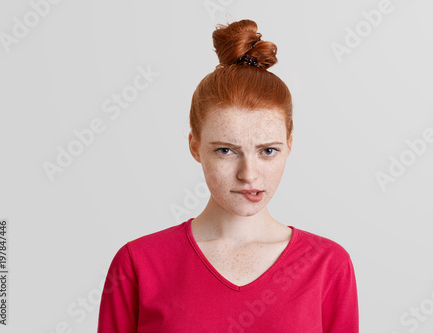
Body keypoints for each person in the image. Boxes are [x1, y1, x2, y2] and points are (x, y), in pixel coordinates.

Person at [97, 19, 359, 333]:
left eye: (268, 151)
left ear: (289, 145)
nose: (248, 175)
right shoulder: (138, 264)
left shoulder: (328, 266)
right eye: (226, 151)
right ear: (194, 146)